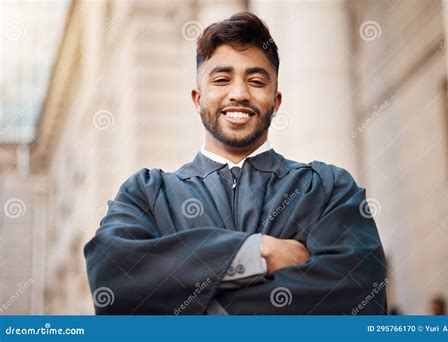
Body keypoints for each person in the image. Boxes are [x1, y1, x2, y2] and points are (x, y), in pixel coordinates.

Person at [84, 12, 387, 315]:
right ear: (197, 99)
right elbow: (112, 277)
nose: (239, 93)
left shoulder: (327, 190)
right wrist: (257, 253)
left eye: (256, 81)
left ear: (276, 101)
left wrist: (185, 298)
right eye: (222, 79)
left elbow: (358, 296)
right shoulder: (148, 193)